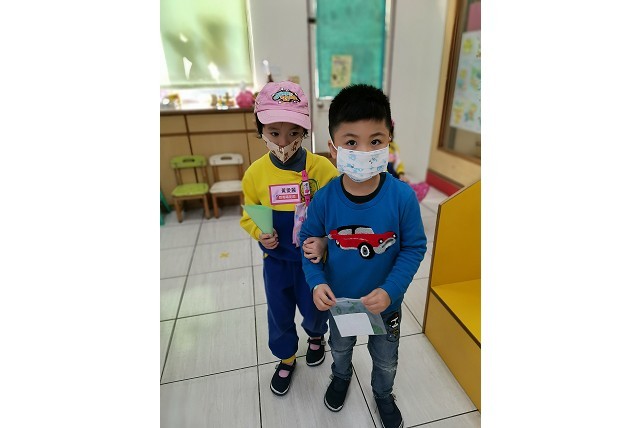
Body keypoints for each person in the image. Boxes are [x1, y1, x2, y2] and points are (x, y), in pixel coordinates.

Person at [298, 83, 427, 428]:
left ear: (389, 143)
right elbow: (308, 242)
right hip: (340, 301)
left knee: (386, 359)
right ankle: (340, 376)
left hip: (387, 305)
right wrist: (316, 282)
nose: (364, 151)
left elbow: (414, 247)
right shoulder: (325, 199)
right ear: (333, 149)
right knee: (340, 348)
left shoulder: (402, 198)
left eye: (376, 141)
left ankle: (383, 394)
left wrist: (390, 290)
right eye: (352, 142)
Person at [240, 81, 338, 396]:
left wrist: (324, 240)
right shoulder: (255, 174)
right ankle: (285, 357)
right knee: (279, 312)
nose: (283, 142)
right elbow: (249, 214)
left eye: (294, 132)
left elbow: (338, 215)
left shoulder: (322, 169)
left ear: (305, 131)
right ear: (260, 130)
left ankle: (315, 337)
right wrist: (260, 233)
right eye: (274, 132)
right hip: (277, 262)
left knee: (316, 308)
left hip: (313, 262)